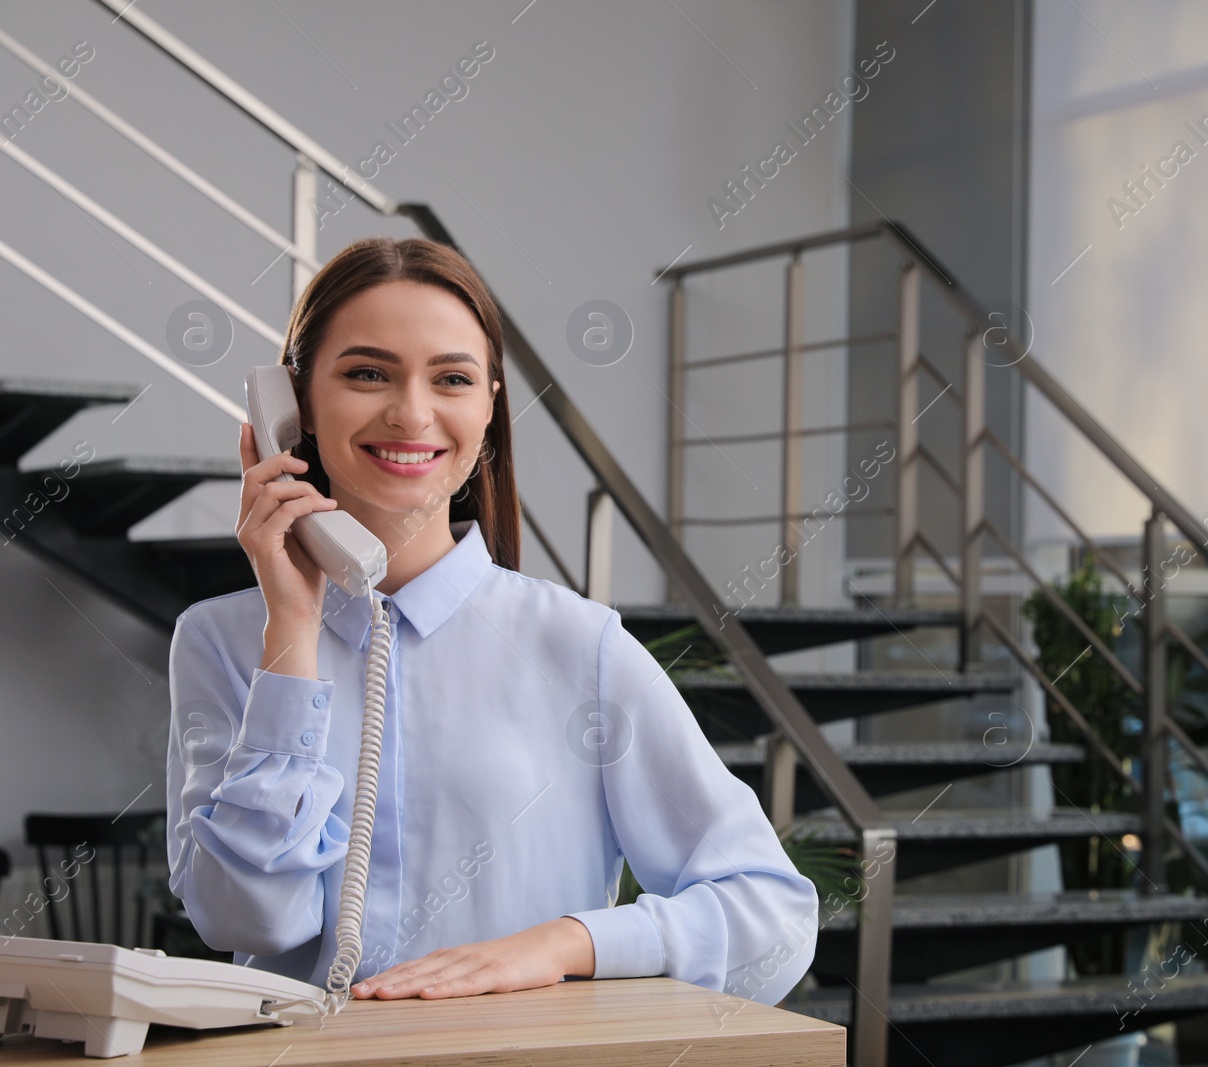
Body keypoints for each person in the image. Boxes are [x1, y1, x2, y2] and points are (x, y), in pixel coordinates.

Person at [164, 236, 818, 1006]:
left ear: (489, 406)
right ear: (293, 403)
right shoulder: (221, 638)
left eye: (451, 378)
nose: (411, 412)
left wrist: (563, 944)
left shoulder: (580, 644)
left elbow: (775, 920)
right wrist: (293, 636)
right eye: (367, 372)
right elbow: (249, 918)